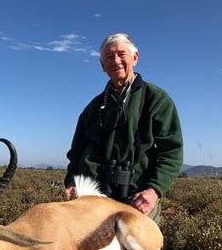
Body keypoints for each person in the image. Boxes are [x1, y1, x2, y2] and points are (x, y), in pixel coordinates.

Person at [64, 33, 183, 223]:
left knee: (138, 247)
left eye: (121, 54)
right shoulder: (93, 108)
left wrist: (154, 190)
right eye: (109, 57)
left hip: (137, 197)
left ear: (135, 58)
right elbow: (76, 154)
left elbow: (171, 152)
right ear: (103, 66)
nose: (116, 61)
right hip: (91, 196)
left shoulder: (156, 98)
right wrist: (72, 182)